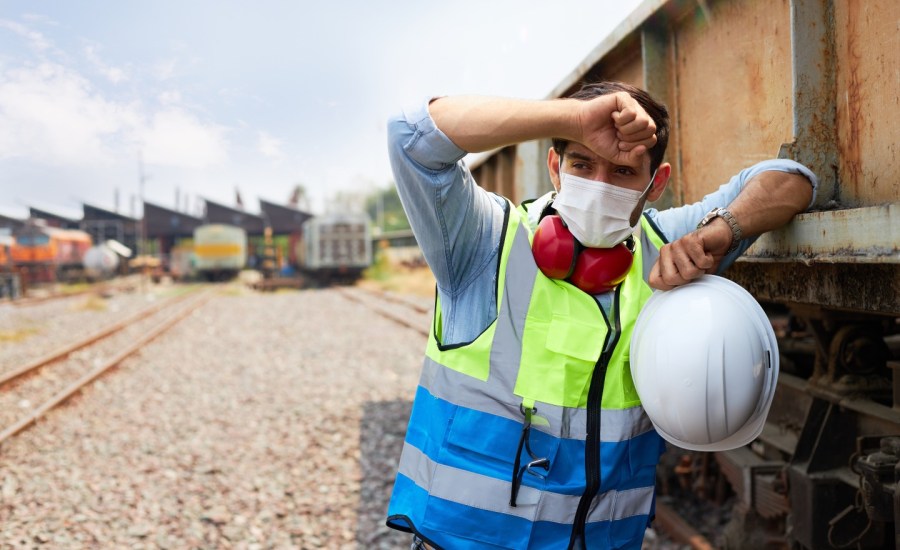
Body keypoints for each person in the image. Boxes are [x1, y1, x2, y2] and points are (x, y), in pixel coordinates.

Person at [384, 81, 816, 550]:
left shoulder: (664, 245)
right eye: (582, 163)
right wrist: (571, 119)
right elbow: (411, 134)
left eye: (624, 171)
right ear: (556, 167)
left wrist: (719, 232)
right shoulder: (484, 244)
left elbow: (793, 180)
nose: (598, 186)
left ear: (657, 184)